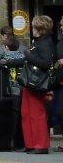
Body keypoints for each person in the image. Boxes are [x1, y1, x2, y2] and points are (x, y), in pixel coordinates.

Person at [20, 15, 56, 154]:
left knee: (37, 114)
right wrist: (8, 62)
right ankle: (30, 143)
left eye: (34, 27)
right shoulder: (39, 41)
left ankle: (41, 145)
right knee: (26, 113)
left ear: (40, 29)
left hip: (37, 83)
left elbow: (45, 63)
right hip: (31, 82)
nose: (32, 29)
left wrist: (28, 55)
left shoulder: (46, 43)